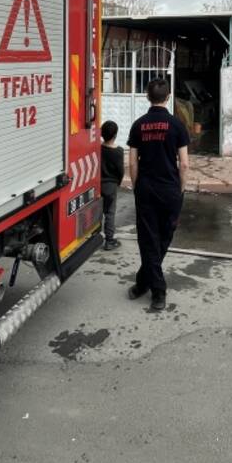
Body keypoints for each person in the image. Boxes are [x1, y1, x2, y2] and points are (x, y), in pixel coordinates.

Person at [126, 78, 190, 312]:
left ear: (146, 96)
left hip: (146, 188)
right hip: (170, 189)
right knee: (163, 238)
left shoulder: (138, 125)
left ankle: (144, 282)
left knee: (148, 239)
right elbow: (184, 164)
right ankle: (158, 291)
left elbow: (132, 163)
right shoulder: (176, 125)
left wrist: (136, 186)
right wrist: (181, 189)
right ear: (168, 97)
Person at [99, 120, 124, 251]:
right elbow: (120, 171)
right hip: (110, 185)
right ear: (115, 135)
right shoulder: (118, 151)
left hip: (97, 185)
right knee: (109, 213)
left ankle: (95, 237)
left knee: (97, 211)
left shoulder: (97, 148)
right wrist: (118, 182)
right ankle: (109, 241)